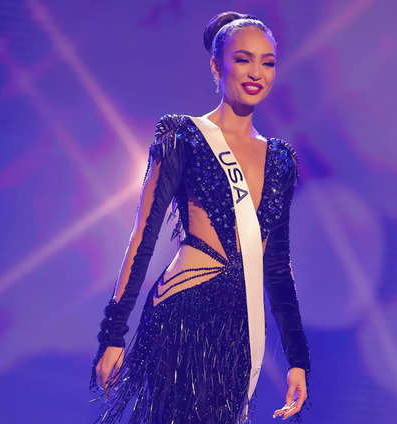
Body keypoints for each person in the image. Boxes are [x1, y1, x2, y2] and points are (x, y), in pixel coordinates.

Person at [89, 11, 311, 424]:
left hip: (240, 330)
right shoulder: (183, 136)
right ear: (216, 65)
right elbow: (144, 236)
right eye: (243, 59)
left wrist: (297, 359)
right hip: (182, 315)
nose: (256, 72)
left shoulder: (281, 160)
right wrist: (113, 335)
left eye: (267, 62)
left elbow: (277, 266)